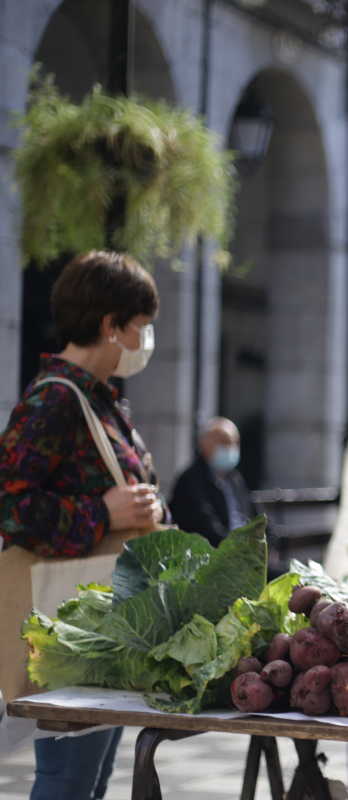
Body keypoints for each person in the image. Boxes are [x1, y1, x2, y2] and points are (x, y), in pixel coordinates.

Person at [0, 250, 166, 800]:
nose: (145, 339)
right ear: (109, 325)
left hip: (106, 628)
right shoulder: (55, 399)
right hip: (72, 629)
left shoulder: (97, 401)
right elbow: (7, 502)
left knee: (90, 782)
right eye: (140, 326)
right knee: (69, 782)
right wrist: (101, 514)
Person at [170, 417, 261, 549]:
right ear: (203, 445)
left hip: (248, 553)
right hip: (222, 557)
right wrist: (242, 552)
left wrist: (267, 546)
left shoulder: (235, 478)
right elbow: (208, 530)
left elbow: (259, 517)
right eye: (224, 443)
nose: (231, 448)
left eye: (235, 443)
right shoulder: (191, 480)